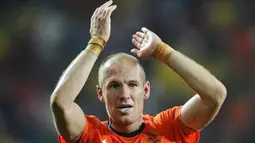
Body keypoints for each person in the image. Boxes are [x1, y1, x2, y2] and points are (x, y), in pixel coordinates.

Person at [50, 1, 227, 143]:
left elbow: (215, 95)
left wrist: (163, 52)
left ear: (146, 90)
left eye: (133, 84)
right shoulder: (91, 135)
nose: (124, 94)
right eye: (114, 86)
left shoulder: (167, 130)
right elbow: (60, 103)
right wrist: (96, 43)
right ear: (100, 93)